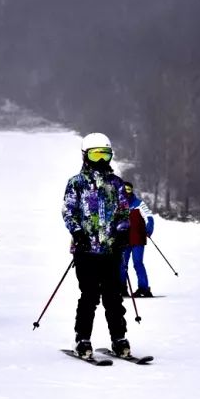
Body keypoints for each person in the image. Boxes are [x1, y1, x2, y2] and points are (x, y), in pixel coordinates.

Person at [62, 132, 132, 357]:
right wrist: (78, 232)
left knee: (113, 297)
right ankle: (82, 339)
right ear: (85, 156)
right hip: (86, 251)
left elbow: (124, 212)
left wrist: (122, 232)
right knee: (89, 296)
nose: (101, 160)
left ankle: (119, 339)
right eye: (96, 155)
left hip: (111, 251)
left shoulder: (117, 184)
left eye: (105, 155)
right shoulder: (77, 183)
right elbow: (68, 212)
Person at [120, 181, 155, 297]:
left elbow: (149, 217)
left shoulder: (139, 203)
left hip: (137, 239)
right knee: (121, 264)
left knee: (137, 263)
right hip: (124, 239)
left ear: (132, 191)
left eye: (128, 190)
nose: (126, 193)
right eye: (124, 190)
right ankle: (121, 288)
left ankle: (143, 288)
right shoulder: (118, 204)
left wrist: (148, 229)